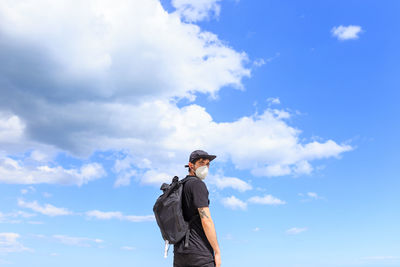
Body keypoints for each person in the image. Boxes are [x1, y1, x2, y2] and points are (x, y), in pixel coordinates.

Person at [173, 150, 221, 267]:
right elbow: (206, 220)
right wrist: (217, 251)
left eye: (208, 164)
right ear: (191, 165)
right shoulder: (197, 185)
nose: (205, 166)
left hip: (179, 254)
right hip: (200, 253)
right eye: (201, 163)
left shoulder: (180, 186)